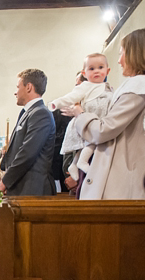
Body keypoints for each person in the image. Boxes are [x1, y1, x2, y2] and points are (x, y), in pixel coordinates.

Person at [62, 28, 145, 200]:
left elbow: (103, 130)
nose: (119, 61)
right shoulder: (133, 87)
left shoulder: (137, 89)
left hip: (122, 176)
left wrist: (80, 113)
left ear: (134, 54)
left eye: (122, 53)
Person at [49, 54, 113, 181]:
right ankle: (81, 162)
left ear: (107, 70)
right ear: (85, 72)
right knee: (90, 143)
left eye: (100, 67)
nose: (97, 71)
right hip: (86, 122)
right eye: (92, 69)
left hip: (99, 121)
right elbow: (70, 97)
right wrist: (56, 103)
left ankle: (74, 165)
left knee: (87, 144)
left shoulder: (108, 88)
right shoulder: (85, 86)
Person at [0, 69, 56, 195]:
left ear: (29, 87)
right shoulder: (29, 113)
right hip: (22, 186)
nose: (15, 92)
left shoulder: (41, 113)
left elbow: (28, 152)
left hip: (33, 188)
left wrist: (4, 183)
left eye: (18, 87)